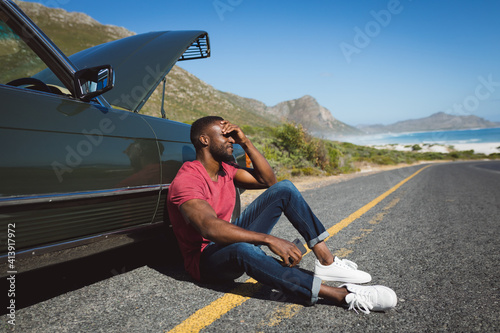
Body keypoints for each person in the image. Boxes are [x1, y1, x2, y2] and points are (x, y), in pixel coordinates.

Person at [167, 116, 397, 314]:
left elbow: (268, 181)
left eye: (233, 135)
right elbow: (209, 227)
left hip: (229, 242)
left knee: (284, 189)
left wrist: (245, 141)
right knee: (243, 248)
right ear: (204, 140)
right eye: (225, 135)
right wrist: (268, 239)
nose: (231, 140)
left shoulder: (226, 170)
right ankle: (342, 296)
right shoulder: (187, 179)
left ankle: (327, 261)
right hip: (206, 260)